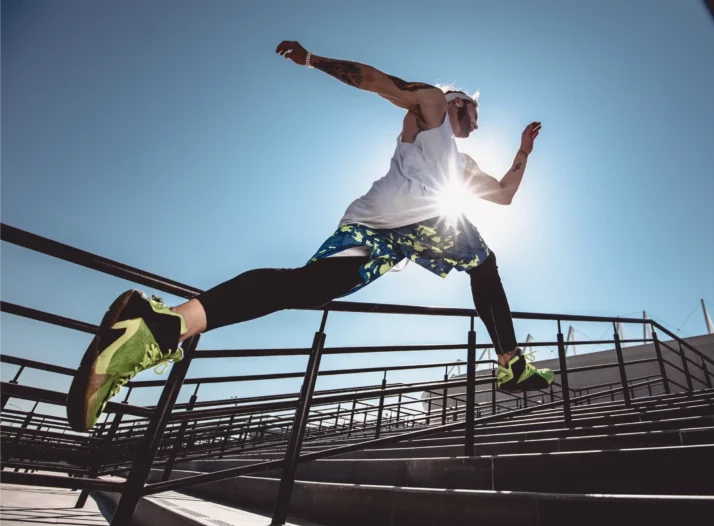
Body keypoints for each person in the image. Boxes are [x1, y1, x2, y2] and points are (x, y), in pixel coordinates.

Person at [65, 41, 553, 433]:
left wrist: (523, 151)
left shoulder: (459, 162)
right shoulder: (431, 106)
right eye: (474, 116)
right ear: (459, 103)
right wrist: (314, 61)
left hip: (377, 226)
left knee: (305, 287)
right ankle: (509, 360)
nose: (475, 125)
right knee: (482, 262)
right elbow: (379, 83)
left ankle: (158, 326)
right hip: (413, 218)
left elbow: (506, 194)